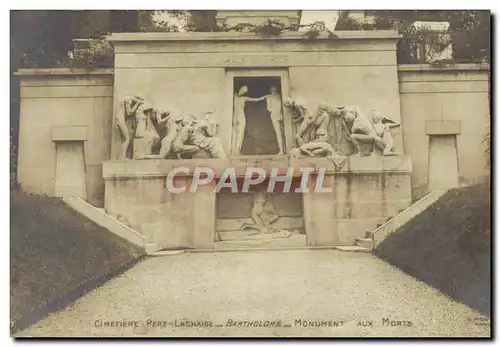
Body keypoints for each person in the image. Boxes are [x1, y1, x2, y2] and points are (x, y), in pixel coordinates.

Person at [233, 86, 268, 155]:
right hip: (236, 117)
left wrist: (265, 96)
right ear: (239, 89)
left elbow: (256, 100)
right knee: (234, 135)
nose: (242, 92)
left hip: (241, 117)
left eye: (244, 92)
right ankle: (234, 151)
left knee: (240, 134)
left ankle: (237, 151)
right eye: (242, 90)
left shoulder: (244, 98)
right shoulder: (234, 96)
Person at [115, 95, 143, 160]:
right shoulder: (128, 99)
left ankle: (120, 156)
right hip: (120, 119)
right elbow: (129, 112)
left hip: (120, 119)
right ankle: (123, 157)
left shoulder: (128, 99)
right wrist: (137, 104)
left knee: (125, 139)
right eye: (139, 100)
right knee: (127, 139)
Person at [265, 86, 285, 154]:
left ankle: (281, 150)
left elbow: (269, 109)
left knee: (278, 133)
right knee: (281, 133)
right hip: (280, 115)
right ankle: (282, 149)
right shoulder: (279, 96)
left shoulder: (269, 97)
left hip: (274, 115)